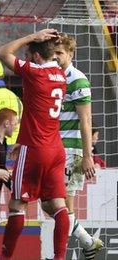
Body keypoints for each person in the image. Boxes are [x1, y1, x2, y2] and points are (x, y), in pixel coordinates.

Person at [0, 28, 69, 260]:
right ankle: (59, 257)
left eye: (29, 54)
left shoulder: (35, 72)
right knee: (58, 206)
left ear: (36, 56)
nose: (26, 58)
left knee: (17, 205)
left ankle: (5, 258)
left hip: (35, 149)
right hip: (56, 149)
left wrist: (31, 37)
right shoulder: (60, 74)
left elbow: (2, 51)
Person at [53, 33, 104, 258]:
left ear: (71, 54)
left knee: (63, 206)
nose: (55, 57)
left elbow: (86, 120)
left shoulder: (78, 79)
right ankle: (87, 242)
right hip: (54, 150)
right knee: (55, 205)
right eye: (52, 52)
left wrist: (87, 155)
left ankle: (78, 246)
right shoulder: (52, 77)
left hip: (71, 153)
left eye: (59, 53)